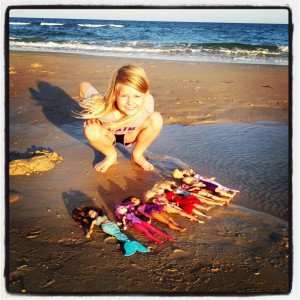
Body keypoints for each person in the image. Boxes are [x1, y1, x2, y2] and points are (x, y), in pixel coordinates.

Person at [77, 65, 163, 172]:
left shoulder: (148, 103)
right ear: (114, 95)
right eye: (124, 96)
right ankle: (111, 155)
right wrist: (89, 115)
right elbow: (83, 86)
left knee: (156, 119)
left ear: (145, 95)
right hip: (108, 136)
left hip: (130, 135)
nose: (130, 102)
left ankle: (137, 155)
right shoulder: (101, 108)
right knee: (91, 130)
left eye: (137, 96)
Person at [72, 206, 149, 256]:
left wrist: (117, 224)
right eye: (91, 214)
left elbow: (109, 220)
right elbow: (91, 229)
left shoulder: (103, 215)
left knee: (119, 233)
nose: (93, 213)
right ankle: (128, 244)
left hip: (112, 224)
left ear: (96, 211)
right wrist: (88, 234)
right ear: (90, 217)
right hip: (106, 227)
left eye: (93, 211)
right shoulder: (94, 221)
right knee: (117, 234)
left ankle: (129, 243)